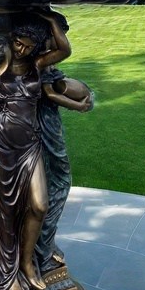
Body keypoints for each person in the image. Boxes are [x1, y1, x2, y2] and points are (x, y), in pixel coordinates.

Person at [0, 11, 72, 290]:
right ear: (11, 38)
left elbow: (64, 50)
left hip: (30, 144)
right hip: (2, 145)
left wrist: (52, 22)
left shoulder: (37, 65)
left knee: (39, 205)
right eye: (19, 42)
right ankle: (7, 276)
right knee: (6, 213)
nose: (22, 49)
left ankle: (28, 263)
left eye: (29, 45)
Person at [36, 64, 93, 273]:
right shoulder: (36, 65)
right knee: (55, 183)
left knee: (52, 184)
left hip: (34, 129)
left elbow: (67, 89)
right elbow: (52, 91)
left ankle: (41, 243)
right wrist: (78, 105)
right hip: (38, 132)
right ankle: (40, 245)